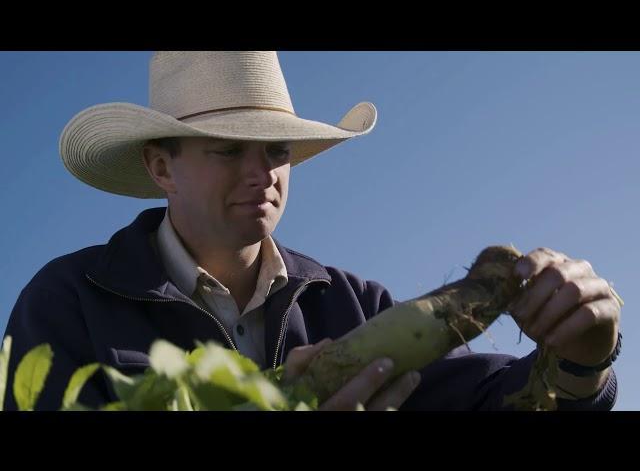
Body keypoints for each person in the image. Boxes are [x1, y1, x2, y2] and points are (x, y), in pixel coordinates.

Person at [2, 51, 621, 411]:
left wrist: (582, 364)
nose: (263, 173)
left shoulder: (356, 305)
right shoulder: (68, 301)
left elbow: (490, 400)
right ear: (162, 166)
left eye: (275, 148)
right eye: (228, 150)